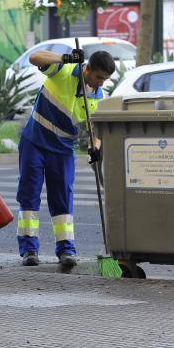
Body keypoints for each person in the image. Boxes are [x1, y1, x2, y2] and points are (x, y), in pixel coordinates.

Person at [16, 47, 115, 268]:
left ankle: (66, 250)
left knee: (62, 198)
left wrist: (95, 147)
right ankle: (29, 250)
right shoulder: (62, 70)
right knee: (29, 195)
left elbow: (95, 131)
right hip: (35, 141)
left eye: (105, 80)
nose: (101, 83)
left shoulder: (97, 98)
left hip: (62, 149)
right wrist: (65, 57)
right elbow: (34, 57)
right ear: (87, 68)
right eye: (98, 77)